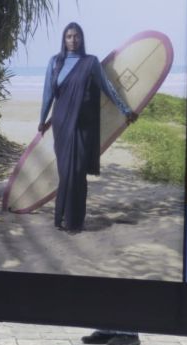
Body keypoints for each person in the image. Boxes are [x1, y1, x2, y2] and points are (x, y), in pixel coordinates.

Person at [38, 22, 138, 233]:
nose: (73, 40)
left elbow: (107, 87)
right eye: (69, 36)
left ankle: (74, 221)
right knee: (65, 171)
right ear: (63, 39)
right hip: (62, 123)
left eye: (76, 36)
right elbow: (48, 93)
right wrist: (41, 120)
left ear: (81, 39)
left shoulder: (90, 62)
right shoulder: (55, 62)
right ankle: (63, 217)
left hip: (83, 124)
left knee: (77, 171)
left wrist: (125, 110)